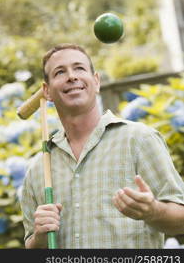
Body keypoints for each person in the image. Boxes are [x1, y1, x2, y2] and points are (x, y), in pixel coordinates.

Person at [20, 43, 184, 249]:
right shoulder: (37, 169)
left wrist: (154, 211)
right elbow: (31, 249)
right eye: (60, 72)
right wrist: (40, 238)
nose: (72, 76)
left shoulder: (139, 140)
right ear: (47, 91)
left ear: (96, 81)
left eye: (79, 68)